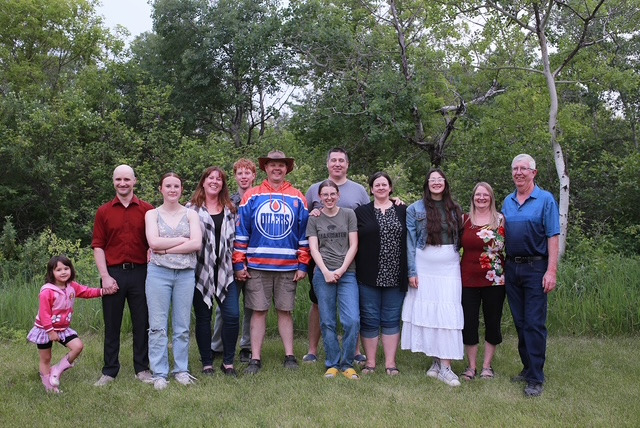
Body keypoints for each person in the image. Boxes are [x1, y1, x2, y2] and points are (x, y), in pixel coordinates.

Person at [233, 150, 310, 374]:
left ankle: (290, 356)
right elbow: (242, 232)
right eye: (272, 165)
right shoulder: (252, 196)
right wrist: (239, 263)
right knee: (258, 311)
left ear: (287, 169)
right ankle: (255, 358)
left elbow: (303, 234)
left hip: (288, 267)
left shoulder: (298, 197)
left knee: (285, 311)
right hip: (257, 266)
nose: (277, 168)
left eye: (281, 165)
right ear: (265, 168)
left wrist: (303, 264)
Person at [303, 148, 370, 364]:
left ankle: (354, 351)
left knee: (352, 311)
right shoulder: (314, 189)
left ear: (347, 164)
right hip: (321, 260)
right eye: (333, 160)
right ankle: (313, 350)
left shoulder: (359, 191)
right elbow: (305, 216)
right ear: (328, 164)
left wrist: (394, 200)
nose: (337, 164)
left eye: (342, 160)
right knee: (319, 306)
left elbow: (371, 212)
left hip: (351, 259)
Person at [502, 154, 560, 397]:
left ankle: (536, 378)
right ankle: (527, 368)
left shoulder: (545, 200)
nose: (518, 172)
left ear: (533, 173)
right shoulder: (507, 201)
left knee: (534, 323)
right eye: (515, 168)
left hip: (536, 268)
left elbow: (553, 236)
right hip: (512, 268)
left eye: (523, 168)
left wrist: (551, 270)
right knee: (520, 322)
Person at [92, 164, 154, 386]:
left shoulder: (148, 210)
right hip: (113, 274)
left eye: (127, 179)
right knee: (112, 324)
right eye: (118, 179)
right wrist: (105, 276)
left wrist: (151, 250)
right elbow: (98, 246)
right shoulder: (104, 211)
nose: (123, 183)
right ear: (113, 182)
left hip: (142, 274)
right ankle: (109, 371)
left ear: (134, 181)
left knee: (142, 322)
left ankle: (142, 368)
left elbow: (154, 241)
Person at [401, 168, 464, 387]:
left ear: (445, 183)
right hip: (424, 265)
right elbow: (410, 242)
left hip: (449, 267)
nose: (436, 183)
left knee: (447, 314)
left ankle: (446, 367)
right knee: (432, 314)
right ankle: (437, 363)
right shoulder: (414, 209)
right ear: (427, 184)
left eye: (440, 179)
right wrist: (412, 271)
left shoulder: (455, 208)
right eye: (432, 180)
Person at [145, 173, 202, 390]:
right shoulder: (152, 214)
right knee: (157, 326)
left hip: (185, 274)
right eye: (168, 186)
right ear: (160, 188)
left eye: (176, 186)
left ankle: (181, 370)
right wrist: (180, 240)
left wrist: (165, 248)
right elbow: (153, 242)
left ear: (181, 189)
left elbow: (196, 244)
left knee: (182, 326)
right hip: (158, 273)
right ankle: (159, 372)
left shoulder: (191, 214)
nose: (172, 190)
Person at [27, 255, 117, 392]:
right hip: (45, 329)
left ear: (71, 270)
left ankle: (57, 369)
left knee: (77, 346)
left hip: (63, 328)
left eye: (66, 268)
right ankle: (49, 387)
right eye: (58, 270)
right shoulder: (47, 291)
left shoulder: (72, 286)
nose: (63, 272)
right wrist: (50, 332)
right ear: (51, 272)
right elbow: (44, 314)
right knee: (46, 358)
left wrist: (104, 291)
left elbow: (87, 292)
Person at [354, 172, 407, 376]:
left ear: (391, 188)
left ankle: (391, 364)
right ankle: (370, 363)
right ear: (371, 189)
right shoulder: (361, 212)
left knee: (391, 318)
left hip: (395, 275)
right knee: (369, 318)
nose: (381, 187)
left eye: (384, 184)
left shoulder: (402, 210)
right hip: (368, 275)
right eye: (377, 185)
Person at [306, 180, 360, 379]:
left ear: (338, 195)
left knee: (352, 320)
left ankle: (347, 364)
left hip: (348, 273)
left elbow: (354, 245)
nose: (329, 198)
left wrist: (342, 269)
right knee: (327, 320)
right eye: (325, 195)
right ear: (320, 197)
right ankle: (332, 363)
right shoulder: (314, 218)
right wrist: (326, 272)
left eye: (332, 194)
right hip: (323, 274)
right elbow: (314, 248)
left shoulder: (349, 214)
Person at [189, 167, 240, 377]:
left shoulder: (231, 209)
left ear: (223, 184)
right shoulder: (191, 209)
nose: (214, 181)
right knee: (203, 318)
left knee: (232, 316)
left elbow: (237, 240)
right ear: (203, 182)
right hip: (200, 270)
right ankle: (207, 363)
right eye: (211, 178)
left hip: (226, 271)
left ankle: (228, 362)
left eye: (219, 179)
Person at [210, 159, 257, 364]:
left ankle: (246, 346)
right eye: (240, 173)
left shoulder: (260, 198)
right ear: (235, 176)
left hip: (255, 260)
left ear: (254, 175)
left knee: (252, 306)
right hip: (229, 262)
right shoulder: (227, 201)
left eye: (247, 173)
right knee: (225, 305)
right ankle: (217, 345)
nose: (244, 177)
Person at [459, 182, 506, 381]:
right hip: (467, 279)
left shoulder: (500, 219)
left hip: (494, 279)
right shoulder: (464, 220)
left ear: (491, 198)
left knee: (492, 321)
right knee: (469, 322)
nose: (481, 198)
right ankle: (471, 366)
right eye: (478, 195)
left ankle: (487, 366)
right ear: (473, 198)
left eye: (485, 195)